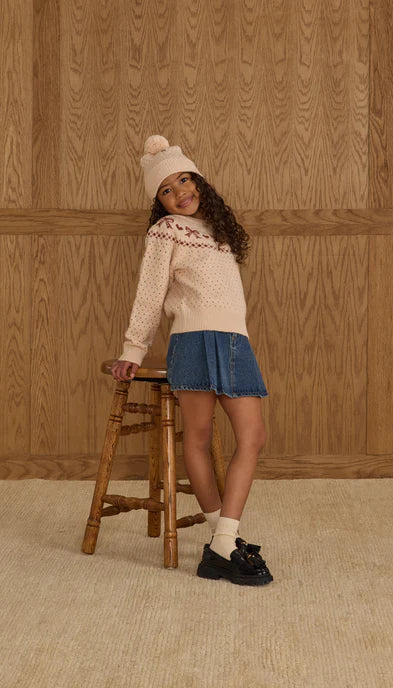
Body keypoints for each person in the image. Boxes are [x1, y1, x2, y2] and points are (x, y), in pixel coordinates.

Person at [111, 135, 273, 586]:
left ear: (199, 181)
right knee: (198, 438)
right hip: (194, 340)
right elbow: (150, 293)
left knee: (253, 436)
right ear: (159, 202)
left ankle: (222, 539)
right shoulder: (167, 230)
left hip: (235, 341)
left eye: (184, 180)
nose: (179, 191)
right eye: (166, 189)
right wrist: (133, 348)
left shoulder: (218, 232)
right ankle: (223, 544)